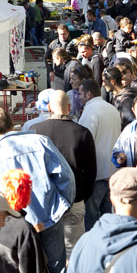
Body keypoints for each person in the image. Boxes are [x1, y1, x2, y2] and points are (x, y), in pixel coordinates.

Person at [0, 107, 76, 273]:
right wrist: (61, 205)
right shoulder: (40, 142)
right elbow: (66, 177)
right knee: (59, 271)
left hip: (13, 226)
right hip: (48, 218)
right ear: (12, 124)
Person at [33, 91, 97, 258]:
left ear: (48, 108)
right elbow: (91, 171)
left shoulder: (36, 131)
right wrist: (82, 196)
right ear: (69, 107)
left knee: (47, 251)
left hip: (46, 201)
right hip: (75, 199)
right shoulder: (82, 133)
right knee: (74, 251)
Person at [77, 79, 122, 230]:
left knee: (92, 218)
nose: (78, 97)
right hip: (112, 170)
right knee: (108, 216)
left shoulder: (90, 111)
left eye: (80, 93)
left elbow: (84, 142)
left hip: (96, 173)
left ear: (89, 94)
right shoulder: (112, 108)